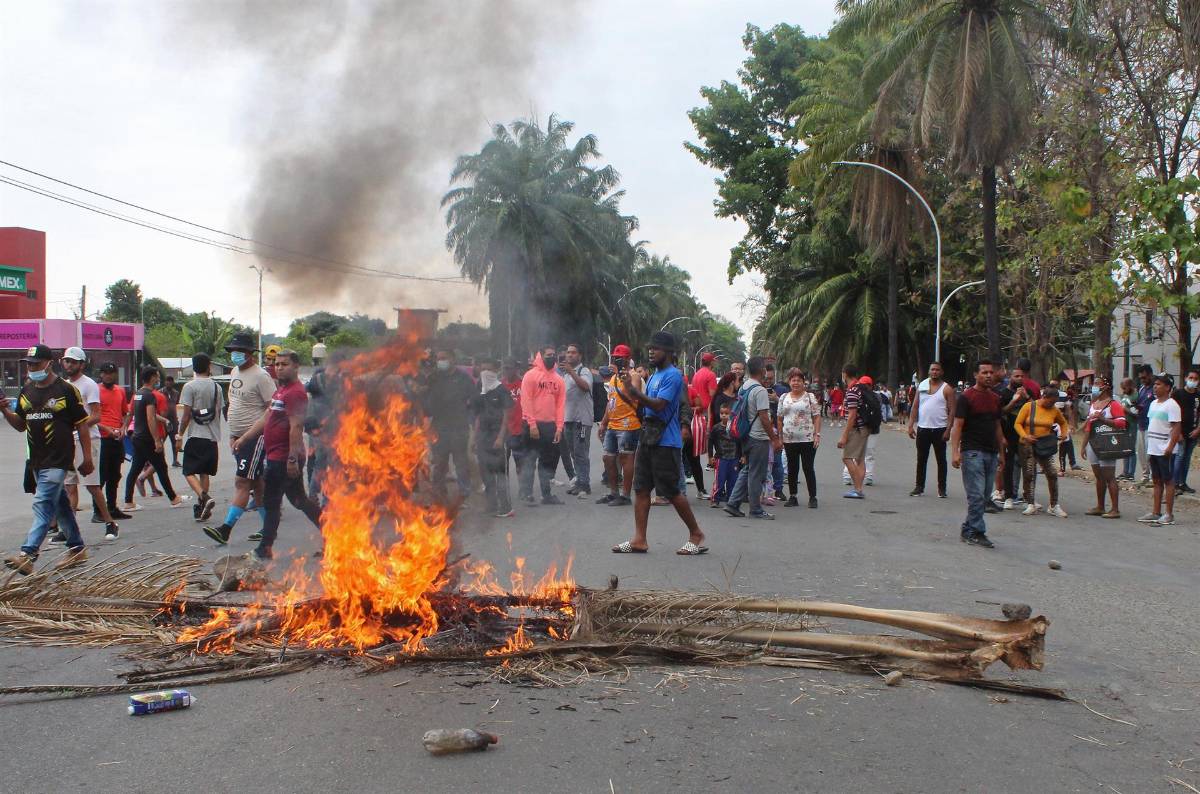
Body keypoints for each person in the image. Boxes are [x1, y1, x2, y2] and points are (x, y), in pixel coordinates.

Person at [611, 332, 707, 554]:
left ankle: (696, 533)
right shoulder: (654, 376)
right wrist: (628, 395)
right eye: (650, 348)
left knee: (672, 491)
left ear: (669, 352)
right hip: (648, 437)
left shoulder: (673, 376)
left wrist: (635, 392)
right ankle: (639, 539)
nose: (651, 352)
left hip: (666, 442)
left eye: (656, 348)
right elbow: (643, 408)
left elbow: (659, 406)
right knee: (641, 488)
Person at [2, 344, 94, 574]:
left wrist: (87, 457)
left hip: (58, 459)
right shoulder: (26, 391)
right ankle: (77, 548)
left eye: (35, 364)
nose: (31, 368)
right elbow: (21, 425)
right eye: (28, 364)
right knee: (61, 504)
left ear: (49, 364)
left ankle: (28, 554)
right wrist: (5, 411)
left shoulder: (66, 390)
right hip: (36, 460)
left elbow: (82, 426)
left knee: (43, 504)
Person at [222, 350, 322, 560]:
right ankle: (331, 532)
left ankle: (265, 547)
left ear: (296, 366)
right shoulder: (281, 391)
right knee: (298, 500)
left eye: (284, 364)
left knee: (272, 500)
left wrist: (292, 460)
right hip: (278, 455)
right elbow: (266, 418)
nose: (279, 368)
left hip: (284, 457)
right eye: (277, 364)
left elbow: (296, 427)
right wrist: (245, 438)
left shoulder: (295, 392)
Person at [202, 333, 275, 542]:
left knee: (242, 481)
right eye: (233, 351)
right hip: (239, 438)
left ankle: (225, 529)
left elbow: (272, 409)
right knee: (257, 484)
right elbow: (234, 403)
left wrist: (247, 436)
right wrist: (233, 435)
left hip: (255, 437)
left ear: (250, 353)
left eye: (240, 351)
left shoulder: (261, 376)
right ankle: (269, 527)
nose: (236, 355)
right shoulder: (234, 371)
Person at [58, 348, 120, 541]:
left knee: (92, 485)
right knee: (69, 486)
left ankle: (110, 522)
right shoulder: (64, 385)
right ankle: (68, 529)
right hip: (68, 441)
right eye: (66, 361)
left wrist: (78, 427)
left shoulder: (89, 385)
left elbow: (96, 415)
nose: (69, 364)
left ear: (82, 364)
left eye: (73, 362)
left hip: (88, 439)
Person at [951, 360, 1007, 549]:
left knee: (983, 496)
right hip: (972, 451)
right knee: (975, 495)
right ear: (976, 375)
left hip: (991, 452)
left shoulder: (995, 398)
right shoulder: (966, 398)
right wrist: (955, 452)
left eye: (991, 372)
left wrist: (1001, 453)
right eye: (984, 372)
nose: (989, 376)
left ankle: (968, 528)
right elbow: (957, 426)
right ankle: (977, 531)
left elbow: (997, 426)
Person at [723, 356, 781, 520]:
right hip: (758, 437)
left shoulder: (744, 386)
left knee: (748, 469)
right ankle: (755, 509)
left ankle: (733, 503)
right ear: (762, 370)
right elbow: (764, 417)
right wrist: (774, 439)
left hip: (745, 435)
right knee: (757, 473)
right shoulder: (760, 390)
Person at [122, 366, 187, 510]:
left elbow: (133, 413)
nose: (158, 379)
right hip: (147, 438)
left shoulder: (138, 394)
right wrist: (157, 440)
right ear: (152, 377)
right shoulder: (150, 395)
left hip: (137, 437)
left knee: (136, 468)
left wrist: (125, 428)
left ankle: (128, 501)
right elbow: (150, 418)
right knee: (161, 467)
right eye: (157, 376)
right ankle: (174, 498)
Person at [423, 349, 476, 502]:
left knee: (460, 462)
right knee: (439, 463)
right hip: (439, 427)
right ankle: (439, 495)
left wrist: (469, 418)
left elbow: (473, 400)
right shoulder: (434, 378)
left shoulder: (463, 378)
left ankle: (463, 494)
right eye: (438, 358)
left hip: (459, 427)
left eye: (444, 358)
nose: (441, 361)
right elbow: (426, 401)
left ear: (452, 359)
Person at [177, 353, 224, 522]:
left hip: (196, 435)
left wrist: (179, 434)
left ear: (193, 366)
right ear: (209, 366)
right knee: (204, 473)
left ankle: (204, 497)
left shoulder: (189, 387)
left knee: (188, 471)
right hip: (212, 438)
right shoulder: (217, 387)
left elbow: (186, 415)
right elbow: (218, 412)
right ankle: (202, 508)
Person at [520, 345, 566, 505]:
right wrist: (532, 425)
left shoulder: (558, 380)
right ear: (540, 355)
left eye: (554, 355)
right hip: (532, 425)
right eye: (548, 355)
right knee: (530, 460)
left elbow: (560, 406)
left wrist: (559, 428)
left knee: (547, 462)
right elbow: (526, 401)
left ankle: (546, 495)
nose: (551, 357)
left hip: (550, 426)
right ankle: (527, 494)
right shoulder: (530, 376)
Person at [596, 344, 641, 507]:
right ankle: (613, 493)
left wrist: (627, 382)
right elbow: (611, 402)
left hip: (628, 423)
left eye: (620, 357)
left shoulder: (634, 376)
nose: (616, 360)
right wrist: (603, 423)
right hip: (613, 424)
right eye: (615, 357)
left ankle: (625, 495)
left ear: (628, 359)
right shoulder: (614, 378)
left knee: (626, 458)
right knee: (608, 458)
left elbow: (635, 396)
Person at [1014, 385, 1069, 517]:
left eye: (1054, 402)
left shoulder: (1054, 410)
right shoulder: (1029, 406)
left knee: (1052, 473)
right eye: (1050, 401)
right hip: (1028, 446)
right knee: (1029, 474)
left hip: (1044, 445)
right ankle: (1031, 504)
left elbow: (1063, 422)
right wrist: (1025, 435)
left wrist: (1064, 433)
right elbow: (1017, 423)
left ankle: (1054, 505)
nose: (1052, 404)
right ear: (1044, 397)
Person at [472, 357, 514, 517]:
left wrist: (500, 438)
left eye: (488, 370)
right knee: (485, 471)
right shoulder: (479, 388)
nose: (485, 373)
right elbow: (477, 416)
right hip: (483, 436)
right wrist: (474, 439)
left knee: (499, 472)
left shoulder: (501, 390)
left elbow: (506, 415)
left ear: (495, 371)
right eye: (483, 370)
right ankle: (492, 504)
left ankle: (506, 507)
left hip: (497, 435)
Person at [996, 358, 1040, 509]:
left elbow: (1036, 410)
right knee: (1008, 466)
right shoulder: (1004, 393)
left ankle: (1029, 497)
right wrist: (1014, 401)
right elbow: (1001, 412)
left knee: (1029, 466)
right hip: (1009, 435)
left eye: (1022, 376)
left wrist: (1026, 397)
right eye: (1016, 376)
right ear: (1011, 377)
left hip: (1026, 435)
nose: (1020, 379)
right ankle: (1008, 496)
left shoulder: (1029, 392)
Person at [1081, 376, 1126, 518]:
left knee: (1109, 476)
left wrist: (1103, 419)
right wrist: (1083, 446)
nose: (1094, 386)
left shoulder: (1113, 404)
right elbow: (1088, 426)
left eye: (1097, 384)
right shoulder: (1094, 404)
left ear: (1105, 387)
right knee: (1098, 476)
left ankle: (1115, 509)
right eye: (1094, 384)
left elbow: (1121, 423)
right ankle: (1100, 506)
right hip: (1093, 443)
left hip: (1107, 443)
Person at [907, 362, 955, 498]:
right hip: (923, 429)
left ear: (942, 372)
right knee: (921, 459)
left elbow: (952, 411)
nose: (934, 372)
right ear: (929, 371)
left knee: (941, 460)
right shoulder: (922, 385)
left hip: (939, 429)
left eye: (937, 370)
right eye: (932, 369)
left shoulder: (947, 389)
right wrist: (910, 425)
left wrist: (948, 430)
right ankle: (919, 487)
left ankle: (942, 489)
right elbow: (915, 406)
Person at [1140, 373, 1181, 525]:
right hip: (1153, 448)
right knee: (1156, 480)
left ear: (1168, 387)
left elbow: (1176, 427)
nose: (1155, 387)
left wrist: (1170, 446)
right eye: (1155, 384)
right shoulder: (1153, 404)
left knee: (1168, 480)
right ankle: (1156, 512)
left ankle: (1169, 514)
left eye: (1159, 384)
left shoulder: (1172, 405)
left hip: (1165, 449)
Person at [777, 368, 820, 508]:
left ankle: (813, 497)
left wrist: (816, 434)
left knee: (808, 468)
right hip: (789, 439)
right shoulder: (784, 397)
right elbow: (779, 418)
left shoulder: (809, 397)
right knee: (792, 468)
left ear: (803, 382)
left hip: (807, 438)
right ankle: (793, 496)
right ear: (789, 382)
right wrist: (779, 437)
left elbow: (817, 416)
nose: (796, 383)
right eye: (793, 380)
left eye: (799, 380)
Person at [95, 362, 132, 521]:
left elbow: (125, 413)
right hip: (102, 438)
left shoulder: (120, 391)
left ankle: (112, 507)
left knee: (114, 475)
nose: (108, 375)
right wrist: (107, 429)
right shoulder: (95, 390)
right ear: (101, 374)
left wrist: (124, 427)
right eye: (105, 373)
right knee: (101, 476)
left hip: (117, 438)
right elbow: (90, 417)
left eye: (111, 373)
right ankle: (98, 511)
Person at [559, 343, 594, 499]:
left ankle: (585, 484)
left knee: (581, 453)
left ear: (579, 355)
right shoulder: (565, 375)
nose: (570, 355)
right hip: (568, 420)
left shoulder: (583, 371)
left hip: (581, 420)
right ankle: (579, 481)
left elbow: (585, 386)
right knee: (573, 452)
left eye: (573, 352)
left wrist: (572, 372)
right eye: (568, 352)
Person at [836, 364, 871, 499]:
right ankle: (859, 489)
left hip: (856, 429)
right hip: (864, 428)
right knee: (860, 459)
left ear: (844, 374)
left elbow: (852, 415)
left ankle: (858, 489)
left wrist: (844, 436)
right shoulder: (860, 388)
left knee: (846, 457)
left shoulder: (852, 391)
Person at [501, 358, 530, 503]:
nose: (507, 371)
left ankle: (524, 491)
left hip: (520, 430)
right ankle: (504, 492)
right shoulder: (500, 386)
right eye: (504, 368)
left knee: (520, 463)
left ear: (516, 369)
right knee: (502, 464)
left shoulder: (523, 384)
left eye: (509, 368)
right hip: (503, 432)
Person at [1170, 368, 1200, 494]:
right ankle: (1174, 484)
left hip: (1193, 432)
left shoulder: (1198, 395)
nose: (1193, 381)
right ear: (1185, 379)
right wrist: (1178, 432)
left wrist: (1198, 429)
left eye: (1195, 379)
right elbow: (1171, 413)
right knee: (1179, 457)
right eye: (1190, 378)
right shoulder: (1178, 394)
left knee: (1187, 459)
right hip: (1180, 431)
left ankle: (1183, 482)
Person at [708, 403, 740, 506]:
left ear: (731, 414)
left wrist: (743, 455)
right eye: (722, 413)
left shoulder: (735, 428)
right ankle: (715, 499)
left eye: (726, 413)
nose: (724, 415)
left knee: (733, 481)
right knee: (719, 481)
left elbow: (741, 442)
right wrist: (710, 456)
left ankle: (731, 500)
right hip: (721, 459)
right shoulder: (716, 428)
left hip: (734, 458)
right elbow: (710, 442)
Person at [1049, 380, 1081, 472]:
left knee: (1067, 442)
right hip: (1048, 424)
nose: (1054, 387)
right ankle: (1047, 465)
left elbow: (1068, 410)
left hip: (1061, 424)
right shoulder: (1045, 395)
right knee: (1048, 444)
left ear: (1058, 386)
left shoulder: (1063, 395)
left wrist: (1071, 424)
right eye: (1052, 385)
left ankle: (1072, 463)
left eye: (1055, 385)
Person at [1133, 364, 1155, 484]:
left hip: (1150, 425)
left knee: (1149, 453)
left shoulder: (1155, 389)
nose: (1142, 380)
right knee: (1141, 452)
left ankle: (1152, 477)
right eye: (1140, 378)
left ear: (1150, 375)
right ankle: (1145, 475)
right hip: (1140, 424)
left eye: (1144, 377)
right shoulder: (1141, 389)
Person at [1116, 378, 1139, 480]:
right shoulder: (1125, 395)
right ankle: (1125, 472)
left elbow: (1136, 413)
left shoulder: (1136, 396)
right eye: (1122, 389)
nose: (1123, 391)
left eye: (1125, 388)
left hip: (1132, 425)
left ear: (1130, 386)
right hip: (1124, 424)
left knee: (1131, 449)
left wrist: (1126, 410)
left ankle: (1131, 473)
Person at [161, 375, 181, 467]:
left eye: (170, 381)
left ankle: (175, 460)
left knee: (174, 441)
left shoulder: (176, 393)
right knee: (161, 441)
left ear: (173, 382)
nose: (168, 383)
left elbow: (176, 404)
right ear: (165, 382)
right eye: (167, 381)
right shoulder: (160, 392)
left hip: (173, 421)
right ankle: (161, 460)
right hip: (163, 421)